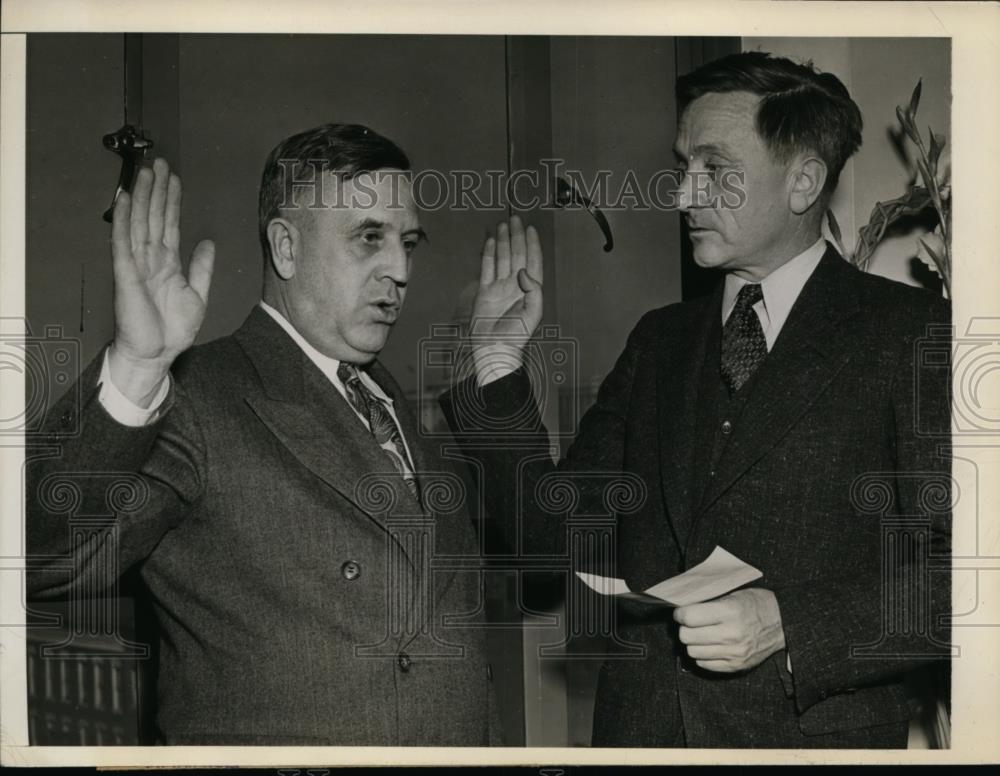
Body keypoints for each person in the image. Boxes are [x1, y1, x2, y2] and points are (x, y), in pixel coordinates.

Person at [440, 52, 952, 748]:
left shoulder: (908, 333)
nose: (682, 195)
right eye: (684, 166)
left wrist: (790, 623)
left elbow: (967, 580)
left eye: (714, 169)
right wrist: (498, 367)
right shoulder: (659, 341)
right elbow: (545, 539)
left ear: (803, 180)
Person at [27, 124, 499, 745]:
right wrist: (138, 368)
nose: (400, 269)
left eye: (407, 241)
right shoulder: (198, 397)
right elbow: (38, 560)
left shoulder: (396, 410)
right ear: (286, 248)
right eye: (369, 238)